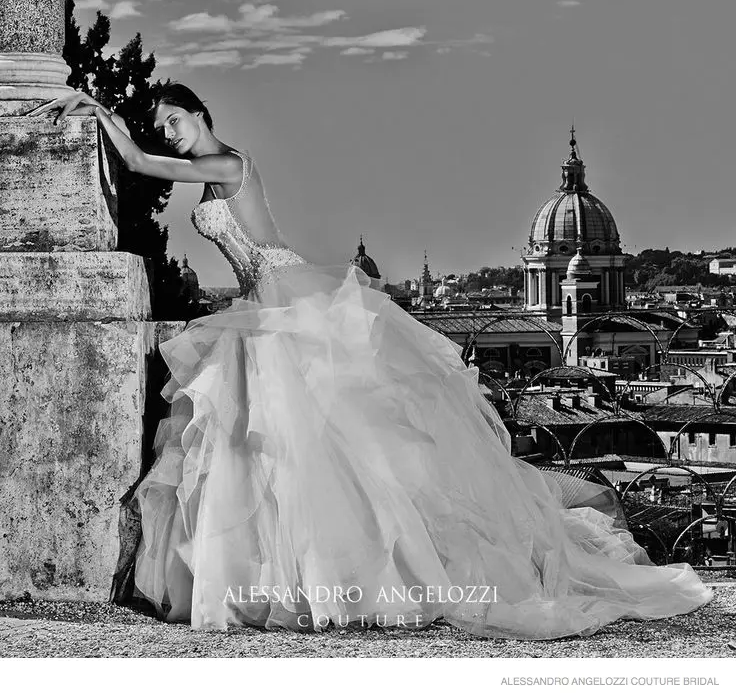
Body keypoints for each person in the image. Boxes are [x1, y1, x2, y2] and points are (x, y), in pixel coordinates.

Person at [31, 85, 712, 639]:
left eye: (175, 121)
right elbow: (155, 161)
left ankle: (335, 572)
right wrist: (101, 112)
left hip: (278, 297)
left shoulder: (228, 163)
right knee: (292, 450)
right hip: (260, 300)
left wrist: (96, 109)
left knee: (316, 447)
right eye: (164, 126)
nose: (171, 134)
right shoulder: (216, 164)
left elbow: (152, 167)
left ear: (201, 115)